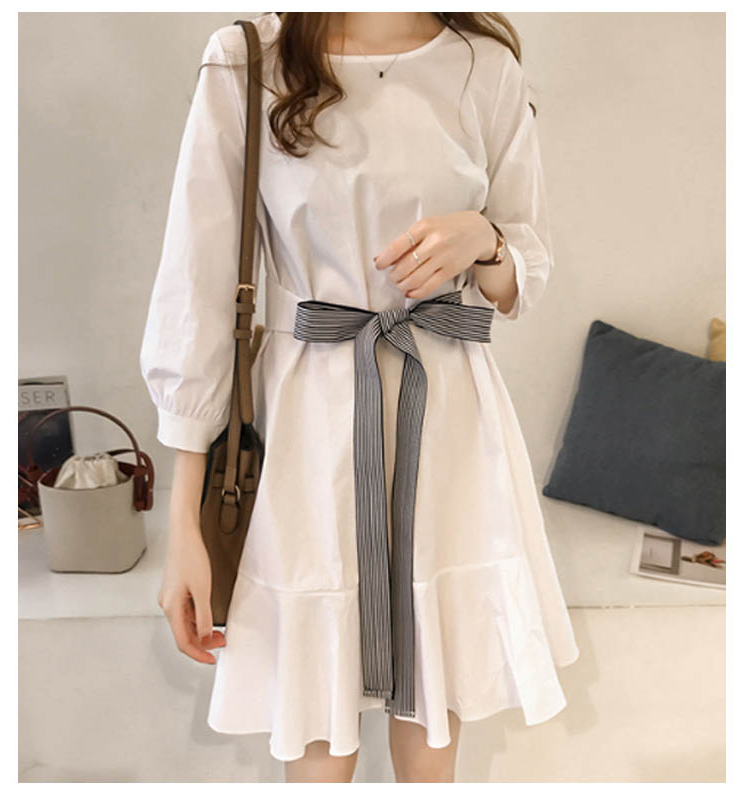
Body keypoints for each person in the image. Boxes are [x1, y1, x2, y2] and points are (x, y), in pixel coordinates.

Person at [140, 11, 580, 783]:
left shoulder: (484, 65)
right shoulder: (249, 59)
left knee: (433, 692)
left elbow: (522, 274)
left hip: (449, 410)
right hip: (310, 416)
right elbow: (195, 290)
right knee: (318, 716)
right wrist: (184, 527)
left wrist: (484, 238)